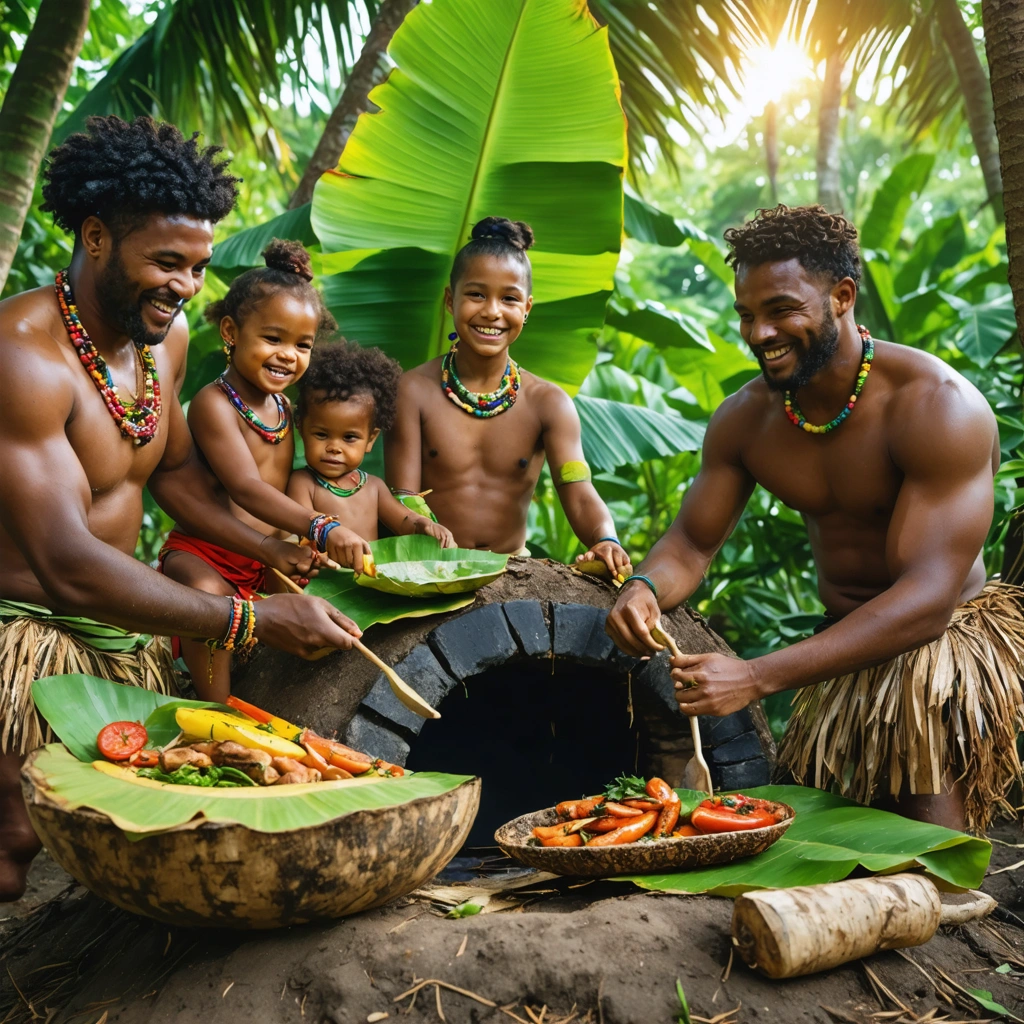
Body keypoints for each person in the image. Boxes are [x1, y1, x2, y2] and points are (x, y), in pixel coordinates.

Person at [0, 116, 363, 899]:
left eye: (198, 266)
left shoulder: (160, 340)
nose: (187, 286)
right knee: (15, 835)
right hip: (21, 630)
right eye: (166, 262)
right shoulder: (22, 359)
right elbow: (63, 562)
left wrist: (276, 552)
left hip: (116, 632)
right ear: (96, 237)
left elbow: (169, 477)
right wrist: (252, 621)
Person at [605, 203, 1024, 835]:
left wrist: (754, 676)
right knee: (822, 844)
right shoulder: (746, 420)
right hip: (838, 650)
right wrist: (644, 589)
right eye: (747, 314)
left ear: (842, 297)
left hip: (933, 656)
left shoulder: (937, 408)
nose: (759, 333)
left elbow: (928, 598)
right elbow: (690, 544)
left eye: (781, 310)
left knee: (931, 858)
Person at [161, 241, 372, 701]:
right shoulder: (214, 404)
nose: (287, 356)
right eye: (272, 339)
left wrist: (304, 543)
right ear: (232, 331)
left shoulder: (283, 405)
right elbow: (246, 488)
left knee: (333, 609)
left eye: (302, 345)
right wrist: (319, 527)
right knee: (210, 595)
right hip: (207, 550)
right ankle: (218, 711)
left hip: (264, 559)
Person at [385, 217, 629, 573]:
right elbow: (403, 498)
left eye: (509, 298)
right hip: (428, 568)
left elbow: (578, 488)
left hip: (511, 572)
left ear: (526, 309)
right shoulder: (412, 391)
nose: (492, 311)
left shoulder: (549, 403)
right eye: (477, 294)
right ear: (451, 301)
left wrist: (605, 538)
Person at [287, 341, 456, 549]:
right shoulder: (303, 483)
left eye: (349, 437)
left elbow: (404, 521)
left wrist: (424, 524)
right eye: (322, 435)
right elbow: (301, 529)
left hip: (372, 579)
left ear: (371, 439)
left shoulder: (373, 487)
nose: (334, 447)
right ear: (301, 429)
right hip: (323, 578)